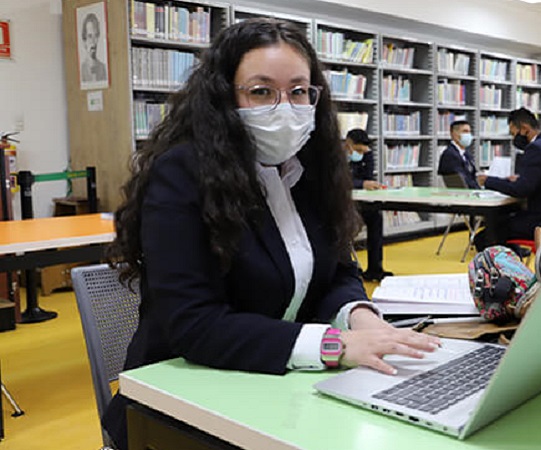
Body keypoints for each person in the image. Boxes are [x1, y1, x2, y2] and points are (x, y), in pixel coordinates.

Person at [103, 19, 439, 449]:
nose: (285, 107)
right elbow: (194, 325)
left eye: (299, 91)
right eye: (261, 91)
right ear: (225, 97)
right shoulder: (181, 174)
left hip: (278, 390)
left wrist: (364, 320)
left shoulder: (312, 170)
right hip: (182, 401)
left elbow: (337, 271)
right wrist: (334, 345)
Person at [476, 108, 541, 252]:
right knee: (502, 225)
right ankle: (515, 258)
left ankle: (507, 270)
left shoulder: (536, 148)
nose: (514, 139)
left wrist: (488, 181)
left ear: (525, 129)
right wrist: (522, 179)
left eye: (514, 133)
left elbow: (521, 190)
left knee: (486, 236)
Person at [345, 128, 393, 281]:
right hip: (338, 204)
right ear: (348, 144)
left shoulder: (367, 154)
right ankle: (344, 267)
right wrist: (361, 183)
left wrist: (363, 183)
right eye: (358, 150)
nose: (361, 154)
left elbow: (367, 176)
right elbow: (337, 180)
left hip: (358, 201)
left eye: (364, 151)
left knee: (375, 217)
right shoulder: (334, 156)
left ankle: (375, 268)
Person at [437, 120, 480, 189]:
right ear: (454, 134)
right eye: (465, 131)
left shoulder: (466, 154)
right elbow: (462, 180)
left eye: (469, 132)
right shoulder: (450, 155)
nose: (468, 135)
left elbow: (472, 174)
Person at [80, 13, 107, 83]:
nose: (93, 41)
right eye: (90, 36)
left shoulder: (103, 68)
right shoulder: (81, 69)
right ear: (84, 40)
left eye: (96, 36)